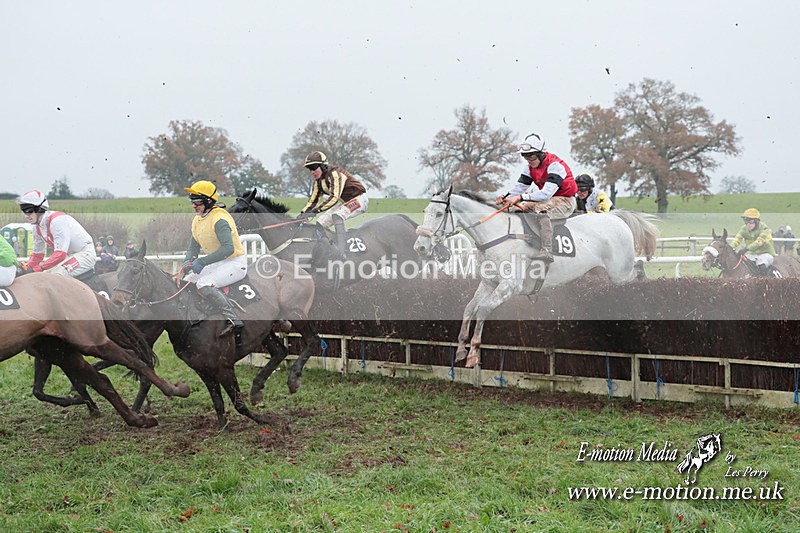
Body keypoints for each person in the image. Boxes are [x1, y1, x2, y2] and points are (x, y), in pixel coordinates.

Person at [495, 133, 577, 262]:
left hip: (565, 200)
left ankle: (547, 250)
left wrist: (520, 197)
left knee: (540, 211)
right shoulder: (529, 167)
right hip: (547, 200)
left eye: (531, 155)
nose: (528, 159)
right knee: (516, 208)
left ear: (540, 153)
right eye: (525, 155)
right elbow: (519, 187)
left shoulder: (555, 166)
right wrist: (505, 197)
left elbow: (546, 194)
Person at [182, 180, 246, 335]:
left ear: (209, 201)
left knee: (203, 283)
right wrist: (188, 260)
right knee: (186, 281)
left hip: (234, 262)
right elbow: (193, 247)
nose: (193, 205)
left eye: (197, 201)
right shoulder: (197, 220)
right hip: (218, 262)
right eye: (192, 201)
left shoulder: (219, 218)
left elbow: (228, 248)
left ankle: (234, 319)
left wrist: (202, 261)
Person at [296, 151, 368, 259]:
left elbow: (334, 198)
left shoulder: (335, 175)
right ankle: (327, 250)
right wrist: (303, 214)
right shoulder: (318, 182)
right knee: (320, 223)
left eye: (314, 167)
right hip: (344, 202)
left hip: (359, 199)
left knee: (337, 216)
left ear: (323, 166)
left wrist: (315, 211)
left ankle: (342, 252)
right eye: (309, 169)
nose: (312, 171)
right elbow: (313, 200)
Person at [16, 189, 96, 277]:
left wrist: (39, 268)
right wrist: (27, 267)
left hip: (85, 254)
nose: (26, 216)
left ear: (39, 209)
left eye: (28, 211)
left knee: (57, 274)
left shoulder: (57, 221)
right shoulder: (36, 228)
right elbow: (37, 255)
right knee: (43, 276)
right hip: (69, 256)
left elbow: (60, 254)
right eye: (24, 211)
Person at [730, 208, 776, 275]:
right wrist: (730, 247)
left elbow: (759, 242)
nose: (748, 224)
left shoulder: (764, 228)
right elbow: (737, 240)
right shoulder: (743, 229)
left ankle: (766, 282)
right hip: (751, 254)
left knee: (761, 266)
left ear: (756, 221)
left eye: (751, 222)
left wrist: (746, 249)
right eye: (746, 222)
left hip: (766, 254)